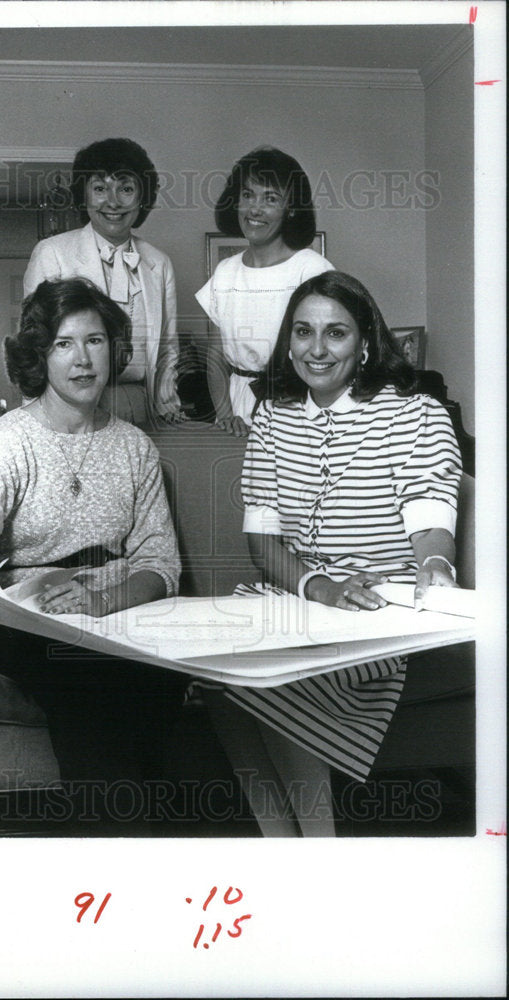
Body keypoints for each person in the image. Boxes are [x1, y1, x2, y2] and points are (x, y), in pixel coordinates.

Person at [205, 270, 463, 836]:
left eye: (336, 334)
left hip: (375, 612)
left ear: (365, 342)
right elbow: (264, 541)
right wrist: (314, 586)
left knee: (281, 677)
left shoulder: (415, 415)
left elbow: (429, 523)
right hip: (296, 598)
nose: (316, 350)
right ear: (288, 340)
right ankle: (286, 847)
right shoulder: (270, 418)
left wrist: (436, 569)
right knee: (215, 679)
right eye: (303, 332)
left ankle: (320, 854)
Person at [0, 278, 183, 791]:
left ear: (114, 348)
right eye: (64, 344)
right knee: (87, 680)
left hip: (115, 613)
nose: (82, 359)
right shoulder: (5, 443)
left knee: (159, 676)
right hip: (25, 621)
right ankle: (119, 847)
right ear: (40, 355)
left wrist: (102, 602)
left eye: (95, 340)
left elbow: (160, 564)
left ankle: (138, 836)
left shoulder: (135, 447)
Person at [24, 137, 184, 424]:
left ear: (142, 197)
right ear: (83, 195)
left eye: (125, 188)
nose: (112, 202)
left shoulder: (159, 263)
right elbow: (33, 347)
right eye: (99, 188)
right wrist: (37, 420)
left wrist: (167, 404)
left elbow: (168, 347)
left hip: (140, 404)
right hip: (69, 410)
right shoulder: (53, 254)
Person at [195, 146, 334, 435]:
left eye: (270, 198)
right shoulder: (225, 272)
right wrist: (226, 416)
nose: (254, 209)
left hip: (298, 409)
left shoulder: (311, 270)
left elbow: (327, 355)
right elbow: (216, 358)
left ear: (291, 208)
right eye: (247, 195)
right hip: (236, 410)